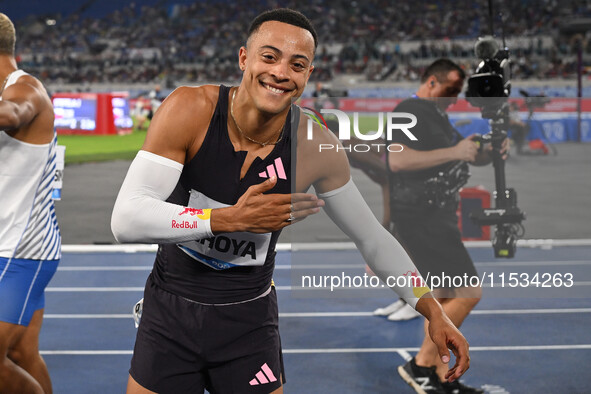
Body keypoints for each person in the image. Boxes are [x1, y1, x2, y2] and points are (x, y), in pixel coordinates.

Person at [111, 11, 472, 394]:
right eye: (269, 57)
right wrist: (225, 219)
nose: (281, 72)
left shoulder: (317, 146)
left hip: (248, 324)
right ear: (244, 59)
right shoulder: (191, 109)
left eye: (297, 65)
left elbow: (373, 239)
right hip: (170, 314)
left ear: (308, 74)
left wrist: (434, 311)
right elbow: (126, 218)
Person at [383, 58, 506, 393]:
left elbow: (462, 152)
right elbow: (398, 159)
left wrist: (487, 150)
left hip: (434, 217)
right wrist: (456, 150)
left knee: (445, 295)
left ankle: (436, 376)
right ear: (432, 82)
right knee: (468, 292)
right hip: (421, 218)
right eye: (451, 89)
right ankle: (421, 366)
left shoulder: (436, 116)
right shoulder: (410, 109)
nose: (455, 97)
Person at [0, 13, 61, 394]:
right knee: (22, 353)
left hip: (22, 250)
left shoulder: (26, 89)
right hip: (8, 244)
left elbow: (11, 114)